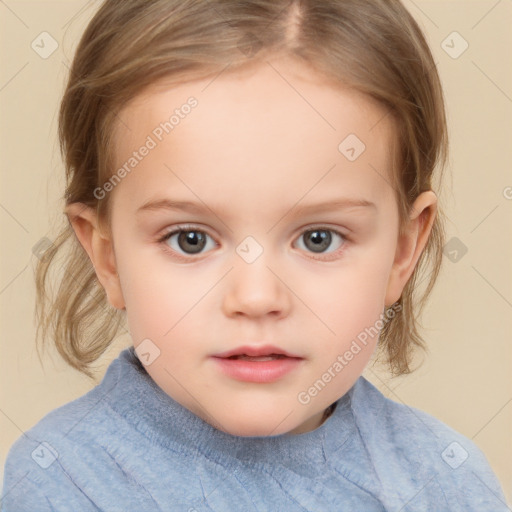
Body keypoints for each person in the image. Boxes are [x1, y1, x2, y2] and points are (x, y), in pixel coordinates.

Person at [1, 0, 509, 510]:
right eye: (190, 239)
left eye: (319, 238)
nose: (257, 297)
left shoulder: (445, 483)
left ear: (404, 251)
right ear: (106, 256)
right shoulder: (64, 484)